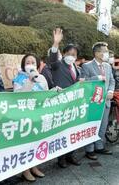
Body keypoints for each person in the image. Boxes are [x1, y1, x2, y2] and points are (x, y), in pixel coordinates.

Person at [49, 28, 81, 168]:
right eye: (69, 53)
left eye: (74, 54)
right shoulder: (58, 65)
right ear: (65, 53)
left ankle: (71, 155)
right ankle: (61, 158)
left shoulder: (76, 67)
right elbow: (52, 58)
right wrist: (55, 43)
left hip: (74, 104)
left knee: (72, 130)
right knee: (62, 131)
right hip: (61, 104)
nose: (71, 56)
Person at [13, 54, 47, 182]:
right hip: (24, 116)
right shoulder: (19, 78)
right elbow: (17, 97)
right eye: (28, 62)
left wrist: (56, 91)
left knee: (36, 142)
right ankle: (25, 170)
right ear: (23, 65)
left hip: (38, 115)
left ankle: (34, 166)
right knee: (25, 145)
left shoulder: (42, 78)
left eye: (33, 62)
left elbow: (47, 94)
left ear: (37, 64)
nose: (30, 64)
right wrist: (30, 81)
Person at [81, 42, 115, 160]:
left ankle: (99, 146)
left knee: (103, 125)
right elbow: (83, 82)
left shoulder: (108, 66)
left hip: (106, 102)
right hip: (93, 102)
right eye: (104, 51)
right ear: (96, 53)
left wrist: (110, 91)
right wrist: (96, 78)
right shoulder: (87, 66)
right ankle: (89, 149)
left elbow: (111, 81)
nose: (106, 53)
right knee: (91, 125)